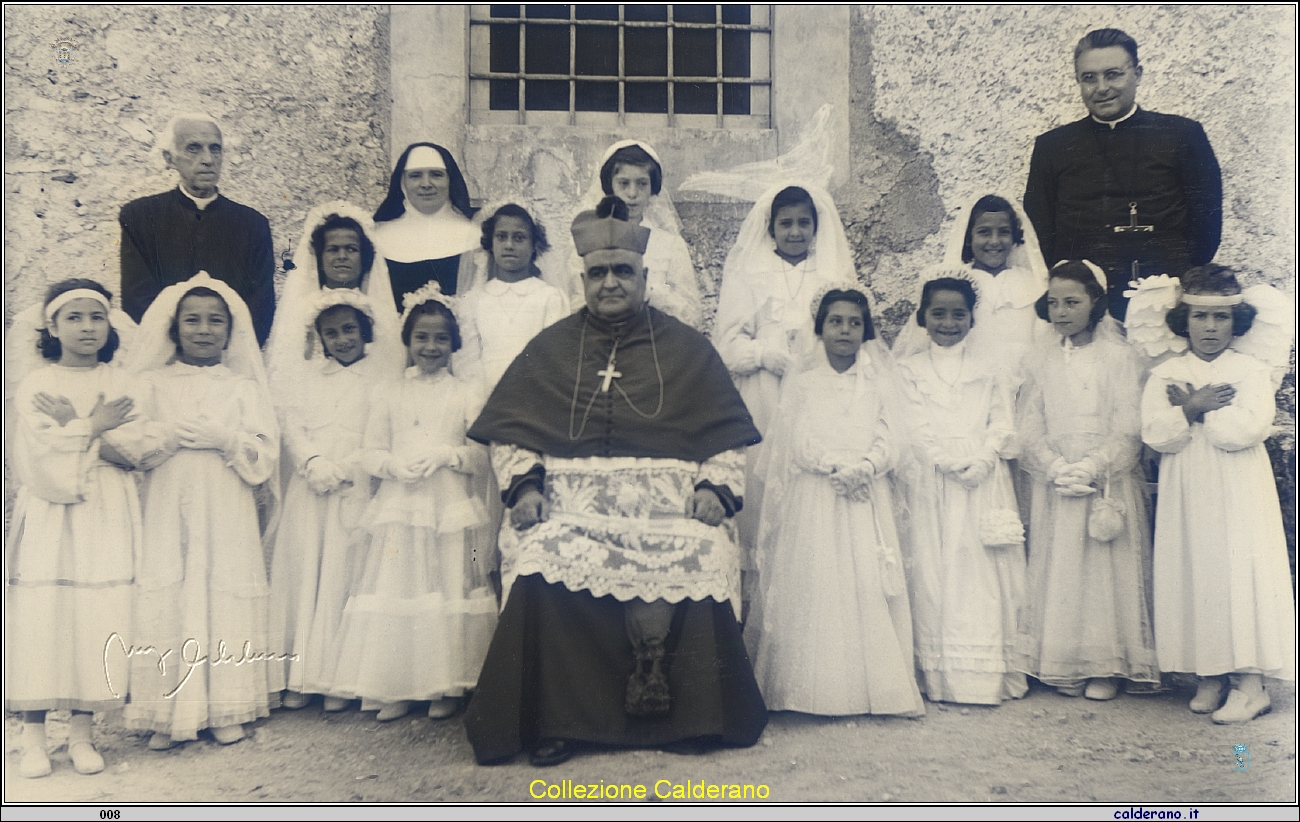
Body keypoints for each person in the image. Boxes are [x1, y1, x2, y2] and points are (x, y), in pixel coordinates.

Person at [463, 196, 765, 766]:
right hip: (571, 512)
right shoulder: (550, 347)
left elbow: (727, 437)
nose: (610, 283)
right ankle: (555, 720)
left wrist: (714, 491)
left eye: (622, 271)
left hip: (671, 512)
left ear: (644, 276)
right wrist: (525, 487)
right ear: (582, 279)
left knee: (703, 552)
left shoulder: (689, 350)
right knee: (538, 557)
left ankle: (696, 717)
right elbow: (512, 432)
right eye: (598, 273)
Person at [745, 284, 924, 717]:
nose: (845, 330)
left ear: (866, 331)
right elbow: (795, 440)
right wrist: (831, 466)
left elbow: (892, 436)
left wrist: (867, 465)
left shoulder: (880, 382)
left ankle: (875, 688)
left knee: (866, 580)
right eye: (835, 322)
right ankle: (812, 690)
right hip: (818, 492)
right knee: (819, 578)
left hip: (866, 491)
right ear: (820, 328)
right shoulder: (803, 383)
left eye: (854, 323)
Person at [6, 280, 157, 778]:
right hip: (51, 514)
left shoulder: (124, 383)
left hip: (105, 511)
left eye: (96, 316)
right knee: (44, 614)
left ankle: (81, 735)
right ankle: (33, 738)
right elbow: (37, 458)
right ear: (51, 326)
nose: (87, 327)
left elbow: (137, 451)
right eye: (74, 317)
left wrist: (75, 429)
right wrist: (92, 426)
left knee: (96, 612)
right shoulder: (35, 384)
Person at [124, 273, 281, 749]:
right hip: (169, 501)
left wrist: (228, 439)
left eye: (215, 321)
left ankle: (224, 707)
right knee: (173, 592)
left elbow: (265, 451)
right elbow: (131, 445)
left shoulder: (242, 388)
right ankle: (165, 713)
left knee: (220, 589)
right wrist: (165, 437)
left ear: (230, 332)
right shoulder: (151, 383)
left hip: (224, 500)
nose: (204, 329)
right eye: (191, 320)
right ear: (174, 329)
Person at [328, 283, 497, 722]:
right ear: (408, 341)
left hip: (450, 504)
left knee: (446, 586)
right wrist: (391, 466)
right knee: (400, 586)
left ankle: (446, 683)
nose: (431, 346)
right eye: (421, 337)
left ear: (454, 343)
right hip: (400, 505)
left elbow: (481, 455)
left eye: (441, 338)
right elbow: (369, 450)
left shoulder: (466, 392)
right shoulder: (389, 392)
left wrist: (449, 454)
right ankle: (398, 683)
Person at [1139, 266, 1295, 722]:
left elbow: (1245, 430)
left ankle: (1250, 683)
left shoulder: (1250, 371)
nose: (1210, 328)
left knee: (1236, 571)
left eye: (1221, 318)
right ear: (1183, 320)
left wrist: (1198, 411)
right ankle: (1209, 674)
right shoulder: (1166, 372)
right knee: (1196, 569)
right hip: (1187, 488)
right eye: (1200, 317)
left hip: (1237, 488)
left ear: (1236, 321)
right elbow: (1155, 434)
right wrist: (1187, 407)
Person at [1015, 261, 1159, 700]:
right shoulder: (1039, 358)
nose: (1061, 312)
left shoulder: (1120, 357)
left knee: (1103, 570)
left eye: (1072, 302)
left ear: (1096, 302)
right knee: (1062, 568)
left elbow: (1128, 425)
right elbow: (1030, 424)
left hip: (1105, 480)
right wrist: (1054, 466)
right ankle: (1064, 659)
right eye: (1054, 302)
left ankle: (1107, 664)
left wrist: (1094, 466)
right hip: (1058, 480)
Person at [714, 184, 862, 604]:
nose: (795, 232)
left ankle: (812, 601)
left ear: (816, 227)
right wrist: (764, 352)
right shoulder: (749, 271)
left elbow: (850, 331)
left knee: (811, 487)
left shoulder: (830, 272)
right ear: (771, 227)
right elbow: (726, 343)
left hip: (817, 393)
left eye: (803, 223)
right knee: (764, 490)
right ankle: (763, 607)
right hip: (763, 393)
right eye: (786, 224)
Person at [1023, 28, 1222, 321]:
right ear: (1078, 81)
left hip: (1164, 299)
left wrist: (1180, 280)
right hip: (1087, 309)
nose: (1101, 87)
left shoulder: (1182, 135)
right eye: (1089, 78)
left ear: (1137, 74)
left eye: (1113, 74)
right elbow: (1039, 230)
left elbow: (1206, 226)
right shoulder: (1053, 146)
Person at [894, 274, 1028, 706]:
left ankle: (983, 678)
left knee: (981, 575)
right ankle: (938, 676)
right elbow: (912, 424)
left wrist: (985, 457)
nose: (948, 323)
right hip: (932, 481)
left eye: (958, 314)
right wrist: (943, 460)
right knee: (934, 574)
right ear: (922, 318)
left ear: (973, 318)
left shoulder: (990, 367)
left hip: (982, 480)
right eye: (938, 314)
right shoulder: (908, 370)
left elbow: (1001, 420)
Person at [266, 290, 389, 713]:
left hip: (355, 487)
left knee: (344, 574)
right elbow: (292, 423)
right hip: (312, 487)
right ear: (320, 337)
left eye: (349, 330)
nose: (341, 340)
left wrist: (349, 466)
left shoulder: (382, 378)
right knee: (306, 573)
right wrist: (313, 461)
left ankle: (338, 676)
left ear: (365, 331)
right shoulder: (308, 377)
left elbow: (381, 432)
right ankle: (298, 675)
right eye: (331, 333)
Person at [119, 114, 277, 344]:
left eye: (215, 149)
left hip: (230, 356)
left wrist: (225, 349)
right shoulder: (140, 217)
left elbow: (261, 303)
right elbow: (137, 298)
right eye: (194, 148)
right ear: (170, 158)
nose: (207, 159)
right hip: (163, 355)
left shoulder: (252, 224)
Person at [265, 202, 405, 398]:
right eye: (332, 249)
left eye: (351, 249)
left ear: (364, 256)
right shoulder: (300, 313)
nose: (342, 256)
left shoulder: (379, 313)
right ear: (320, 257)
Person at [563, 140, 703, 329]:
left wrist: (651, 294)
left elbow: (691, 315)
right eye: (623, 183)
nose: (632, 193)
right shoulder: (588, 241)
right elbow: (577, 304)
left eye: (642, 184)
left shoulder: (670, 245)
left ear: (652, 188)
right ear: (609, 186)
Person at [458, 203, 570, 392]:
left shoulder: (550, 297)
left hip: (535, 395)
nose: (509, 245)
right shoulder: (473, 301)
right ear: (491, 243)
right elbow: (466, 362)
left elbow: (555, 357)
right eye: (501, 237)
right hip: (485, 399)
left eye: (519, 238)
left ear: (534, 244)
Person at [372, 143, 481, 307]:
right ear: (403, 183)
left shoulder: (474, 235)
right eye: (415, 175)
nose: (426, 184)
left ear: (450, 180)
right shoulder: (378, 237)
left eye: (436, 174)